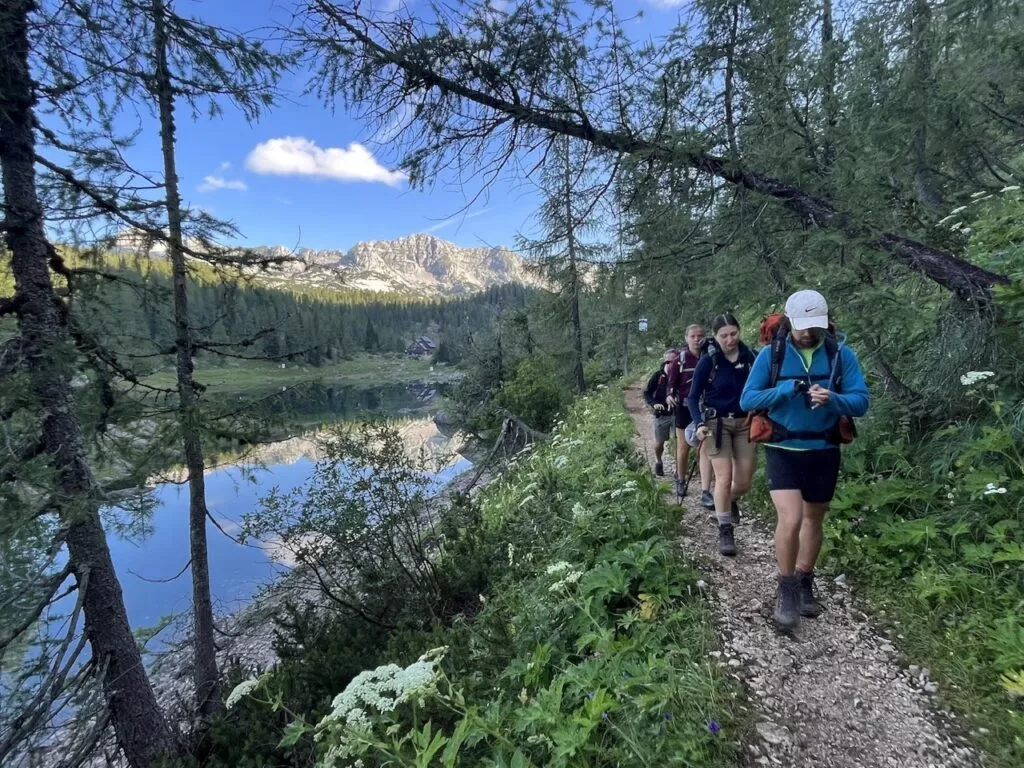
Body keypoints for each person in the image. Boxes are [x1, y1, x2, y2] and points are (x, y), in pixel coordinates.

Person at [740, 290, 869, 630]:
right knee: (792, 517)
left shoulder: (841, 355)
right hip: (783, 449)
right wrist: (785, 391)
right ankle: (786, 588)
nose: (809, 333)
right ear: (790, 322)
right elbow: (748, 398)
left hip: (824, 451)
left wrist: (834, 400)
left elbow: (861, 401)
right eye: (803, 327)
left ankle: (805, 578)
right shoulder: (772, 356)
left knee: (813, 520)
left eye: (816, 326)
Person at [688, 314, 757, 556]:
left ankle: (729, 501)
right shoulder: (709, 361)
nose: (730, 339)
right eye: (723, 335)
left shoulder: (751, 357)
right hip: (716, 424)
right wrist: (698, 423)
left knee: (744, 481)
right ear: (716, 337)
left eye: (733, 333)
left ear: (739, 331)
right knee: (724, 479)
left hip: (745, 422)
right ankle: (725, 528)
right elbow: (692, 397)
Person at [667, 324, 712, 503]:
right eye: (693, 336)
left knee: (705, 446)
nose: (697, 339)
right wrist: (670, 395)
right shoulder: (680, 360)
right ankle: (681, 479)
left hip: (706, 408)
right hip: (684, 407)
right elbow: (671, 383)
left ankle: (705, 489)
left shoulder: (710, 356)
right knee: (684, 446)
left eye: (700, 335)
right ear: (686, 338)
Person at [643, 348, 679, 476]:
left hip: (678, 414)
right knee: (659, 443)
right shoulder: (658, 376)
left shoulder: (682, 374)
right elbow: (647, 392)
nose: (670, 364)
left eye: (674, 361)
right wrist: (654, 404)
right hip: (662, 414)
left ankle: (679, 469)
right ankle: (658, 461)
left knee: (679, 442)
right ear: (664, 361)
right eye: (668, 361)